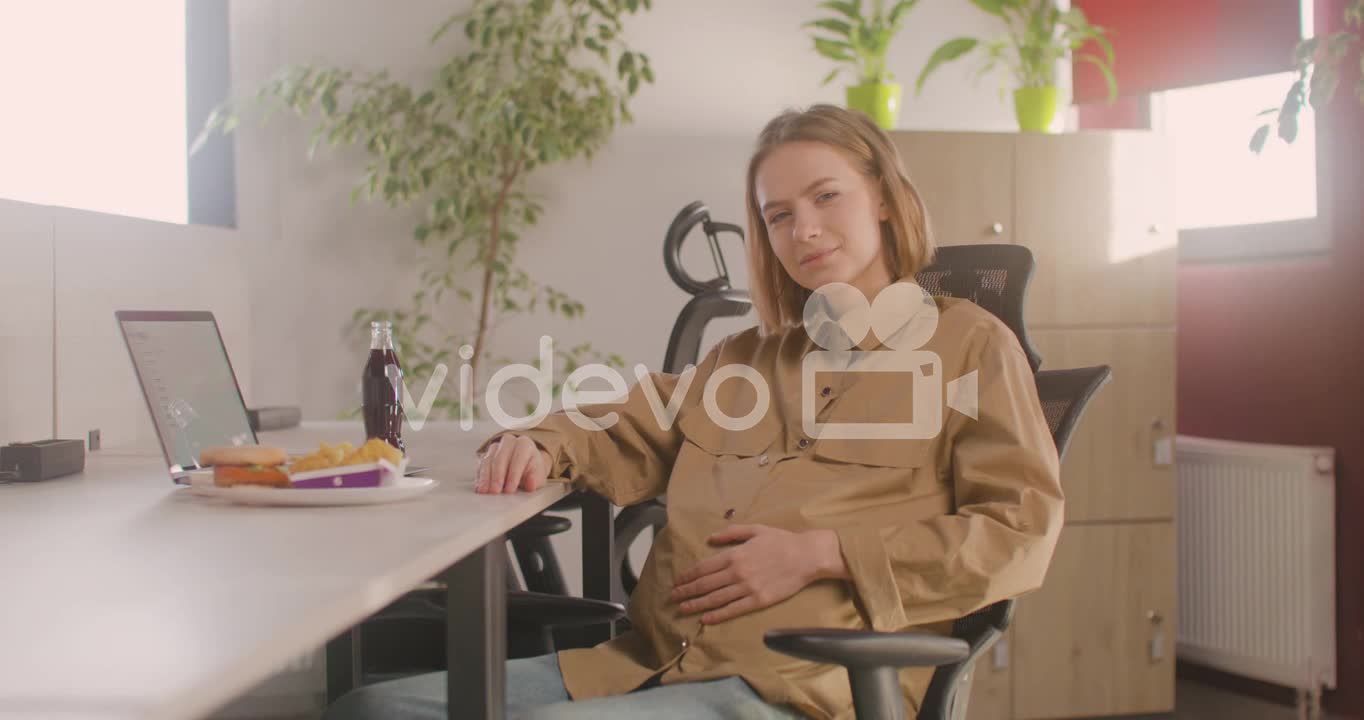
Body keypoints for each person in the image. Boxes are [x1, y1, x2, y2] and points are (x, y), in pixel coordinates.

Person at [324, 104, 1063, 720]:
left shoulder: (971, 347)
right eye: (778, 215)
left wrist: (824, 553)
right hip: (645, 665)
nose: (802, 230)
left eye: (825, 197)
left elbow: (1018, 532)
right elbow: (632, 423)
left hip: (791, 691)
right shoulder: (748, 358)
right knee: (372, 710)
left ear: (880, 195)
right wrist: (541, 440)